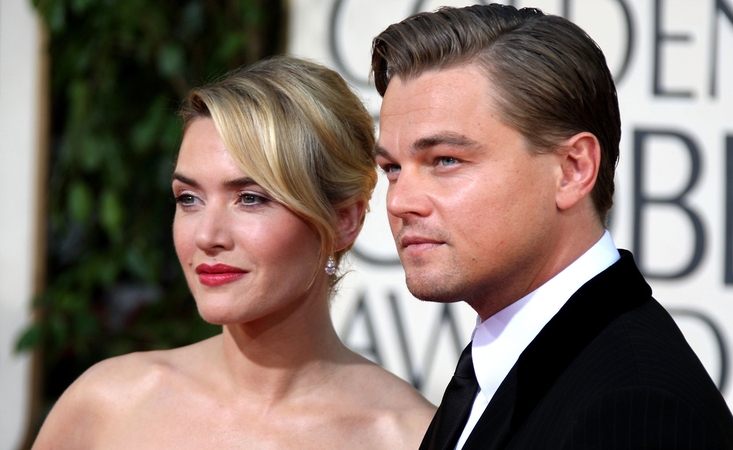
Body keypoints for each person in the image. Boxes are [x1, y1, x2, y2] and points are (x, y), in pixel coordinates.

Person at [371, 5, 733, 450]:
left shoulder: (634, 408)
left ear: (572, 170)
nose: (399, 202)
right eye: (393, 168)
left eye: (446, 160)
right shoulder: (502, 366)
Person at [33, 55, 434, 449]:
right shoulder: (107, 404)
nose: (207, 235)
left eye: (249, 198)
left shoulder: (411, 436)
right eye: (189, 198)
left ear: (343, 221)